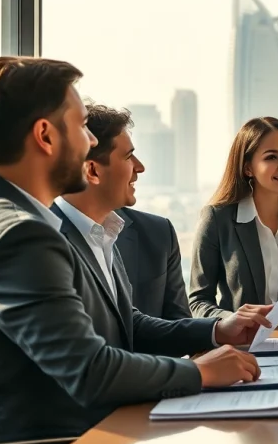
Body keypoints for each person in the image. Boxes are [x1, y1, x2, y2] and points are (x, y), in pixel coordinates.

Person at [0, 57, 265, 444]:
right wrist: (200, 372)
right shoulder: (18, 235)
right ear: (45, 136)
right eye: (82, 125)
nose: (89, 142)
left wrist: (216, 329)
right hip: (69, 441)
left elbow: (122, 322)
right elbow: (90, 371)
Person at [54, 103, 190, 319]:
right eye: (128, 157)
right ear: (92, 170)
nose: (140, 167)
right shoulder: (43, 241)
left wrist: (215, 330)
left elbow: (165, 325)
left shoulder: (154, 233)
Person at [190, 117, 278, 326]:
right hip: (239, 346)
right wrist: (232, 319)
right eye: (271, 157)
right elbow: (198, 302)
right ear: (248, 169)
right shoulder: (217, 220)